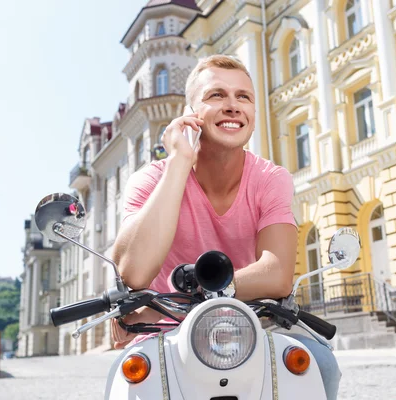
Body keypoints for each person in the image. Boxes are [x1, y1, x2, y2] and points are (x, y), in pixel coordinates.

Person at [110, 54, 341, 399]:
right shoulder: (150, 180)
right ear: (190, 114)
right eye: (216, 95)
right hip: (163, 334)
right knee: (122, 382)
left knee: (321, 364)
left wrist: (192, 292)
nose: (233, 106)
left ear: (253, 114)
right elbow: (133, 273)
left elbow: (277, 274)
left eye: (243, 97)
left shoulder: (270, 179)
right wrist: (178, 163)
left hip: (252, 327)